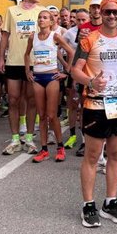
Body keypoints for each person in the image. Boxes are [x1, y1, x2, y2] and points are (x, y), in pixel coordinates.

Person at [71, 0, 117, 228]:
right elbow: (74, 70)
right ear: (101, 14)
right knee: (93, 157)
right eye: (108, 12)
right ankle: (88, 205)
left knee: (116, 155)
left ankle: (110, 202)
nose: (112, 16)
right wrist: (90, 82)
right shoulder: (89, 40)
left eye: (116, 12)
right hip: (96, 105)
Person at [0, 0, 45, 155]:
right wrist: (1, 57)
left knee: (32, 101)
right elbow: (5, 36)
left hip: (34, 62)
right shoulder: (11, 11)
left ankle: (30, 138)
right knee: (13, 100)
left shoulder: (42, 11)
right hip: (14, 62)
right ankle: (15, 138)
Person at [25, 9, 74, 162]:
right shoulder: (33, 37)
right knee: (42, 116)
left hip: (52, 77)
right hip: (38, 77)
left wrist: (67, 71)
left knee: (52, 115)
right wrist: (28, 70)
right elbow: (26, 54)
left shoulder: (55, 36)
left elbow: (71, 52)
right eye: (40, 17)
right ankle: (44, 149)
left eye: (45, 17)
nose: (41, 19)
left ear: (51, 22)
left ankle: (60, 147)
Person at [62, 8, 89, 150]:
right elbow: (57, 48)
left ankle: (84, 139)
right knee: (72, 106)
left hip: (86, 74)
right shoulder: (70, 32)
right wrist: (66, 64)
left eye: (84, 19)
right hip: (72, 73)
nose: (81, 22)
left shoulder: (92, 32)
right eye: (78, 19)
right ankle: (72, 136)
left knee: (84, 107)